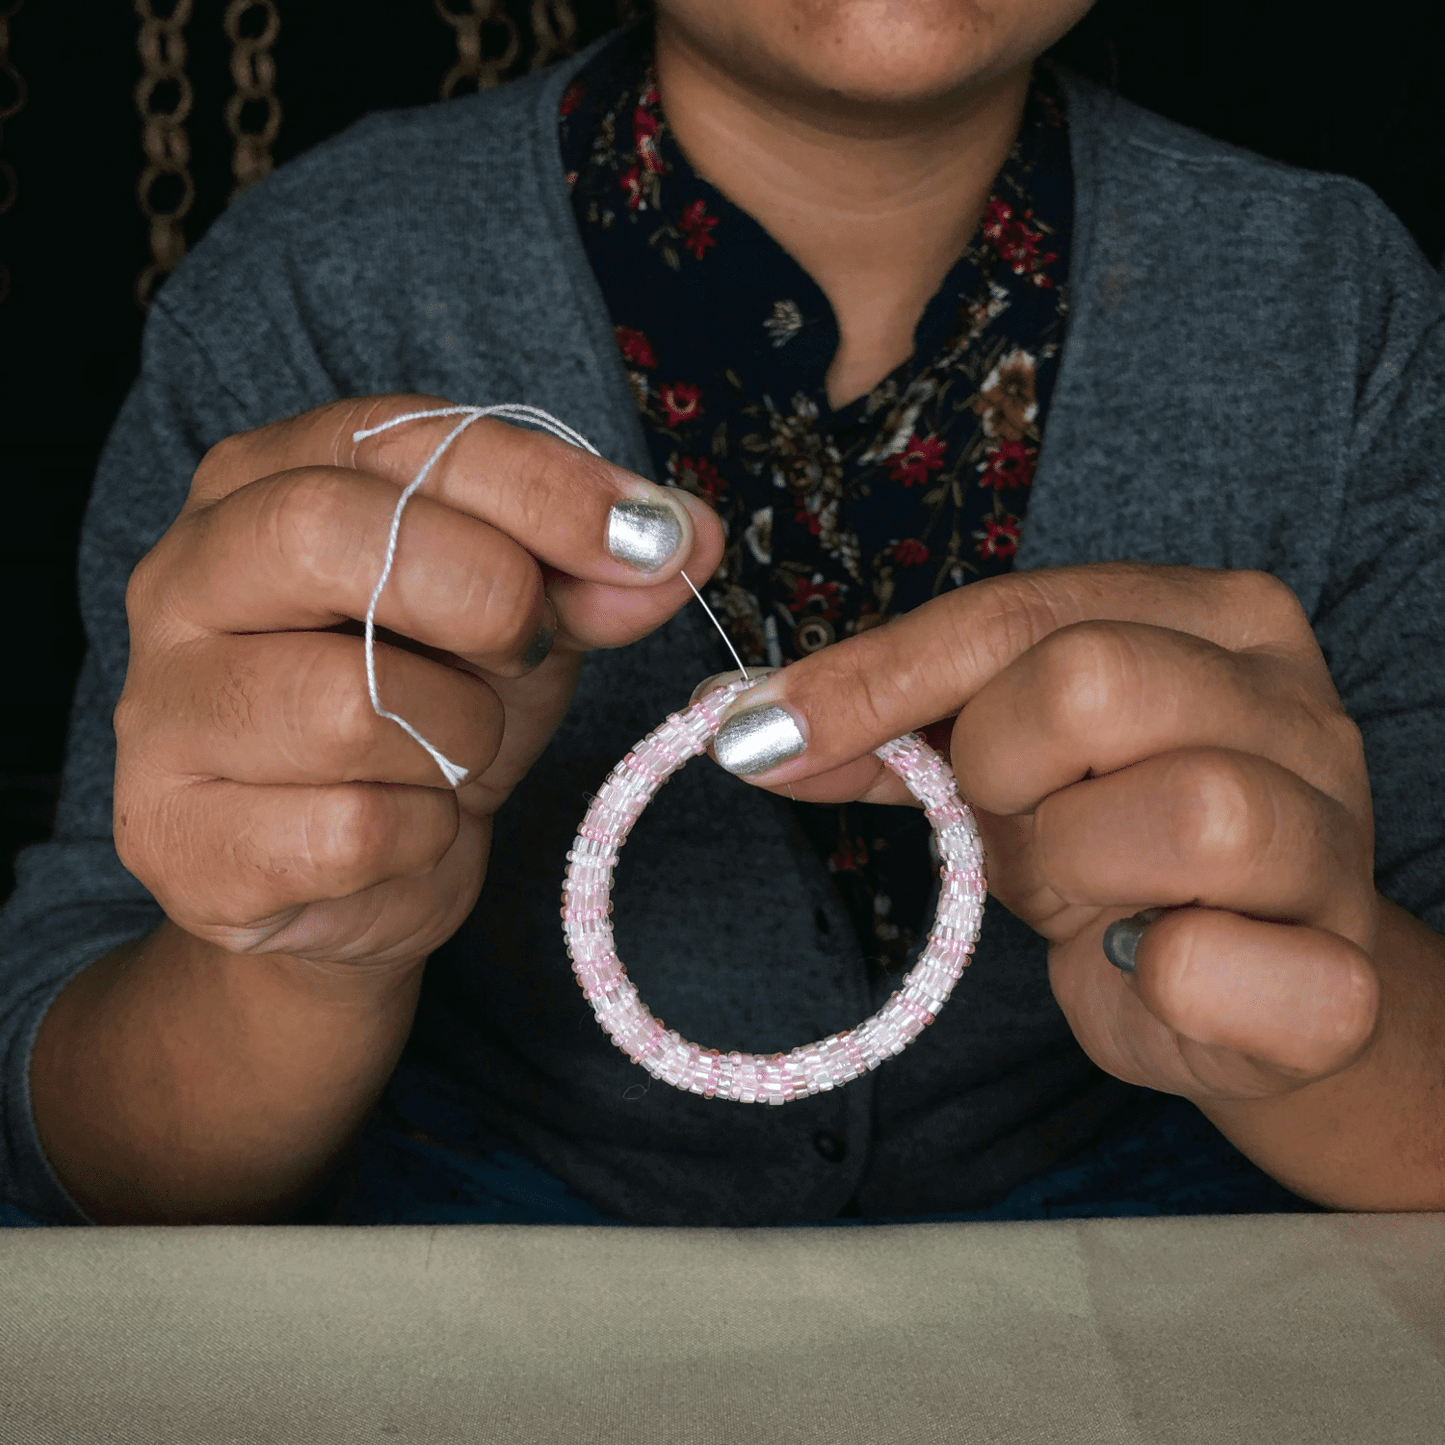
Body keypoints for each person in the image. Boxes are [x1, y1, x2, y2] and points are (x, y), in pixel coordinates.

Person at [1, 0, 1442, 1230]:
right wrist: (311, 957)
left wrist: (1320, 1012)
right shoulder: (304, 294)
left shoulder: (1348, 309)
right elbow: (77, 1144)